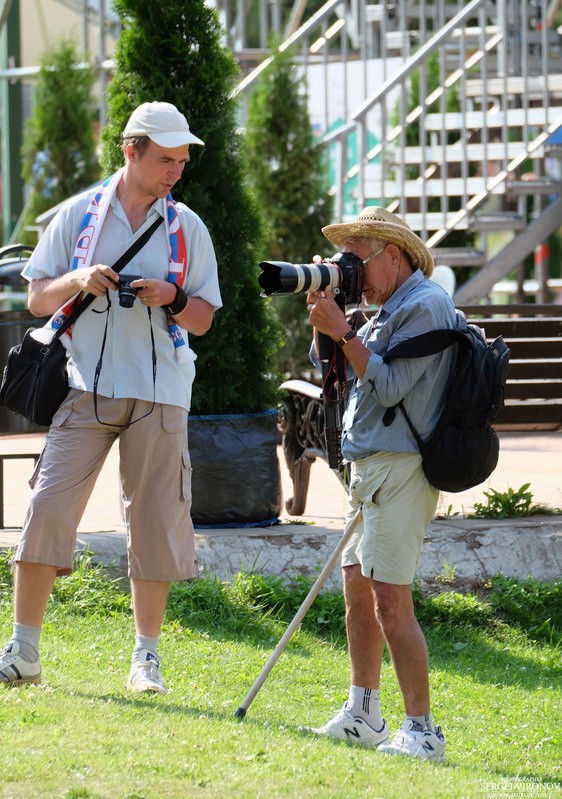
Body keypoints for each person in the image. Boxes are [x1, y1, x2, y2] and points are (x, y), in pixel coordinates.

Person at [0, 101, 222, 694]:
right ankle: (23, 651)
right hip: (84, 386)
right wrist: (79, 279)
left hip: (162, 391)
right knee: (47, 507)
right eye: (165, 159)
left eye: (182, 161)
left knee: (153, 522)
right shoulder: (78, 215)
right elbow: (38, 299)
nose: (176, 171)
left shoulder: (188, 227)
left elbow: (202, 319)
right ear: (131, 150)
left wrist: (171, 296)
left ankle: (145, 659)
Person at [305, 206, 459, 761]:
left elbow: (390, 386)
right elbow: (343, 367)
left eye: (357, 261)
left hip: (403, 468)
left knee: (392, 600)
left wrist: (344, 330)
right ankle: (364, 712)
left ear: (392, 256)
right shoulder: (388, 307)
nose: (352, 272)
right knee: (357, 591)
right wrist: (330, 323)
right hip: (368, 466)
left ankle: (422, 733)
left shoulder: (427, 307)